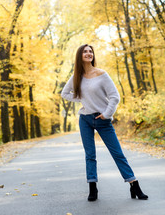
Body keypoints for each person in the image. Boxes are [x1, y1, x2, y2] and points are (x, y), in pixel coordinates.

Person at [61, 44, 148, 201]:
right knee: (90, 155)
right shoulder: (76, 76)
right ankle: (93, 189)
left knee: (117, 154)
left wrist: (107, 114)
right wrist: (81, 98)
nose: (89, 54)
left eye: (90, 51)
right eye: (85, 52)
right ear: (79, 56)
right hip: (85, 120)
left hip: (102, 119)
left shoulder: (101, 74)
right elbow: (65, 93)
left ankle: (134, 185)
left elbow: (115, 96)